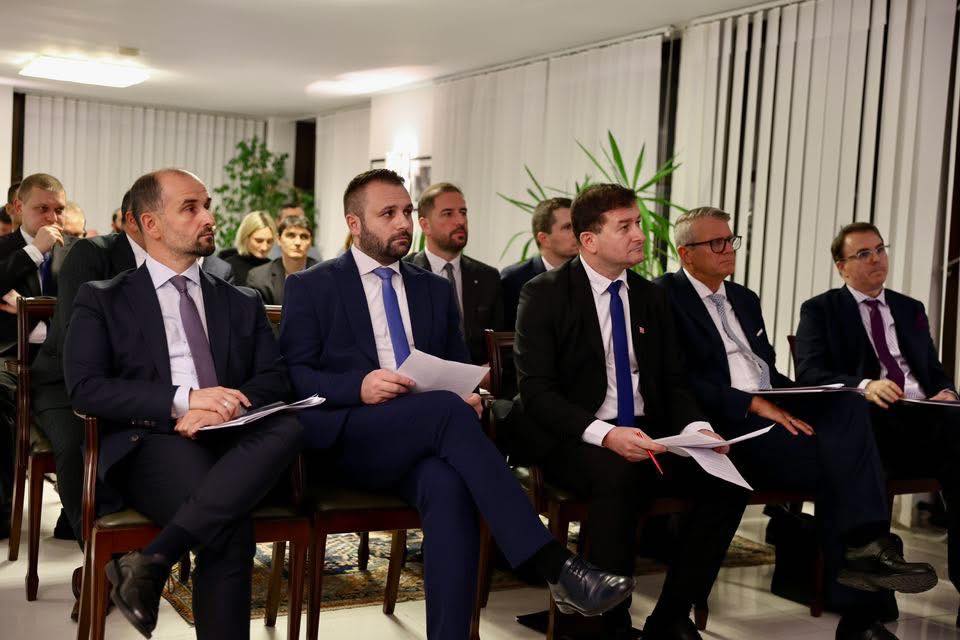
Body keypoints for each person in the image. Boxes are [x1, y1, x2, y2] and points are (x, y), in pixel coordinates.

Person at [279, 169, 633, 640]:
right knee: (446, 413)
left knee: (448, 487)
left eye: (407, 212)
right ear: (355, 223)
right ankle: (553, 563)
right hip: (351, 439)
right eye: (388, 213)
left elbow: (453, 364)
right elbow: (294, 377)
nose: (403, 222)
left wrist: (468, 392)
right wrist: (358, 386)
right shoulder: (313, 285)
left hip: (425, 441)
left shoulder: (432, 288)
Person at [656, 208, 936, 640]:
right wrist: (753, 403)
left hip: (771, 410)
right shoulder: (664, 296)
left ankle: (867, 557)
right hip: (722, 423)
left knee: (849, 405)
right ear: (685, 254)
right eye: (716, 243)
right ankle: (864, 594)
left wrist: (802, 397)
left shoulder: (744, 298)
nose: (728, 249)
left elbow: (766, 372)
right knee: (843, 468)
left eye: (731, 240)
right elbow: (676, 379)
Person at [63, 168, 303, 639]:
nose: (208, 217)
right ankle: (156, 561)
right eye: (190, 208)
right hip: (154, 441)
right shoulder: (104, 298)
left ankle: (155, 558)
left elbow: (275, 378)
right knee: (229, 532)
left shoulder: (241, 300)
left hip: (235, 436)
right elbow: (86, 388)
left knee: (292, 426)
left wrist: (225, 406)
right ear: (150, 224)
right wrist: (184, 401)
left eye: (207, 205)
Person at [514, 184, 750, 639]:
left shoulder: (650, 296)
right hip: (576, 434)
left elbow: (674, 381)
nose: (640, 235)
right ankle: (609, 625)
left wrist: (697, 428)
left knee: (725, 480)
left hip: (648, 431)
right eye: (625, 227)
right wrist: (606, 434)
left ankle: (670, 617)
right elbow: (537, 393)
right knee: (620, 475)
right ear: (589, 240)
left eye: (638, 223)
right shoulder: (543, 294)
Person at [795, 221, 960, 627]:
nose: (876, 259)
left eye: (880, 250)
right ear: (842, 267)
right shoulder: (821, 310)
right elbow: (810, 373)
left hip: (926, 419)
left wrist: (946, 392)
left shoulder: (909, 308)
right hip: (873, 421)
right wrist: (866, 385)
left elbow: (932, 371)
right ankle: (872, 574)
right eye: (863, 254)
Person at [405, 182, 505, 365]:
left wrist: (491, 368)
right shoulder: (404, 273)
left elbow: (500, 340)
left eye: (463, 212)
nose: (460, 221)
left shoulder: (488, 277)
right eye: (448, 213)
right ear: (425, 225)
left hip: (479, 377)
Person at [501, 197, 578, 329]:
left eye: (576, 225)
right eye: (567, 227)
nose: (577, 232)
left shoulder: (589, 273)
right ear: (544, 239)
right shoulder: (514, 279)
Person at [247, 215, 317, 305]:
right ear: (279, 239)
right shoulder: (259, 277)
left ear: (310, 242)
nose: (298, 242)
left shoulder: (325, 275)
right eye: (291, 235)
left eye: (304, 237)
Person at [221, 211, 275, 285]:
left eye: (269, 241)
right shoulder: (228, 267)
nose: (264, 247)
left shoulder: (275, 268)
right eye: (259, 241)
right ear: (245, 237)